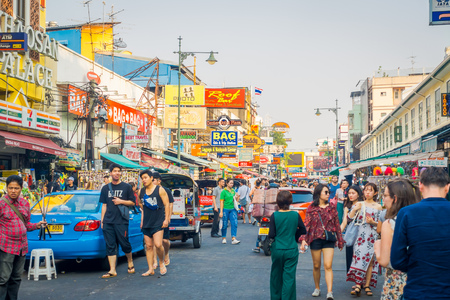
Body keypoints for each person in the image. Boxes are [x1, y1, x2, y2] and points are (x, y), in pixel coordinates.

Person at [391, 167, 450, 300]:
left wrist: (417, 265)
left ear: (420, 186)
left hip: (418, 290)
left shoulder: (406, 213)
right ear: (447, 187)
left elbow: (397, 260)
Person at [0, 175, 47, 299]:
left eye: (16, 188)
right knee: (3, 278)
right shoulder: (1, 204)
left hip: (22, 247)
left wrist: (37, 225)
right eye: (10, 188)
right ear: (6, 188)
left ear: (21, 188)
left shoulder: (25, 204)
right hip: (6, 247)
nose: (13, 191)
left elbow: (26, 224)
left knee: (16, 277)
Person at [374, 179, 420, 300]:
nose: (383, 198)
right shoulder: (419, 220)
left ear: (395, 198)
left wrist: (377, 246)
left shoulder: (390, 223)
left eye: (385, 195)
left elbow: (384, 261)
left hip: (396, 280)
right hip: (419, 279)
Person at [300, 184, 344, 300]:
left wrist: (340, 240)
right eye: (326, 192)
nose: (328, 194)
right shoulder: (311, 208)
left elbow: (337, 225)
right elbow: (307, 225)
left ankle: (330, 292)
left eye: (328, 192)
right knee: (316, 265)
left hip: (328, 239)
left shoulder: (332, 207)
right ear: (319, 193)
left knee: (328, 265)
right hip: (315, 239)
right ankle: (317, 288)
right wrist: (304, 240)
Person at [99, 163, 136, 279]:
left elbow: (132, 203)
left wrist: (121, 201)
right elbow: (104, 205)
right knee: (110, 245)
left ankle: (130, 262)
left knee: (124, 243)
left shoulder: (126, 187)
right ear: (110, 173)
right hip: (108, 221)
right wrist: (102, 220)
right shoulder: (105, 188)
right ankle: (112, 270)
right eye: (114, 171)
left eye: (119, 171)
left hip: (121, 221)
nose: (117, 173)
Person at [346, 183, 383, 296]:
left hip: (372, 236)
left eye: (370, 190)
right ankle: (358, 284)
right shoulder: (359, 204)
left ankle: (366, 285)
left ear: (375, 193)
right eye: (366, 190)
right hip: (360, 236)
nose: (367, 192)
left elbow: (380, 225)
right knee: (358, 259)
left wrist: (373, 222)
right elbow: (349, 218)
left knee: (371, 261)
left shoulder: (378, 207)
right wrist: (353, 210)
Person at [269, 190, 306, 299]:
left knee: (276, 276)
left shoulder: (274, 215)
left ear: (278, 201)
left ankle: (276, 297)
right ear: (290, 201)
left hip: (278, 248)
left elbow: (271, 234)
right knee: (289, 277)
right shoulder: (295, 215)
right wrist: (294, 236)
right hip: (291, 248)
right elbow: (303, 230)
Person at [139, 169, 170, 277]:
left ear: (152, 178)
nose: (144, 180)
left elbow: (167, 204)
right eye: (142, 178)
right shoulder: (141, 192)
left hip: (158, 222)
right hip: (147, 222)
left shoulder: (160, 190)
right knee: (148, 246)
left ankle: (161, 262)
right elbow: (141, 205)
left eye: (145, 177)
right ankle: (150, 269)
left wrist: (166, 219)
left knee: (158, 244)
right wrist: (143, 219)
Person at [151, 172, 174, 268]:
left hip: (163, 218)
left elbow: (170, 204)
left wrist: (168, 217)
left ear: (159, 181)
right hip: (153, 219)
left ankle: (167, 253)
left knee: (164, 241)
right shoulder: (149, 190)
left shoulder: (166, 190)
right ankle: (155, 261)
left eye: (153, 180)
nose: (152, 182)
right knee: (154, 242)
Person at [340, 185, 364, 273]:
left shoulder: (363, 205)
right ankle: (356, 281)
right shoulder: (347, 207)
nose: (351, 195)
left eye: (353, 193)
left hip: (361, 235)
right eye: (349, 193)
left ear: (358, 194)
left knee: (361, 258)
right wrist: (338, 235)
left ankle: (361, 282)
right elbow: (344, 223)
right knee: (351, 258)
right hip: (351, 236)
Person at [219, 179, 240, 245]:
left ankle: (233, 238)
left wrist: (237, 197)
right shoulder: (223, 191)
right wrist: (221, 211)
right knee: (224, 224)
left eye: (232, 183)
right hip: (225, 209)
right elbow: (221, 202)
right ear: (227, 183)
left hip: (232, 209)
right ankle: (224, 238)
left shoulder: (233, 191)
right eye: (230, 183)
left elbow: (235, 200)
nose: (232, 184)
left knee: (234, 223)